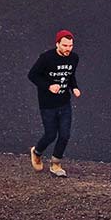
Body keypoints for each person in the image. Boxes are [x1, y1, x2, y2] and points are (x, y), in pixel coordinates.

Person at [28, 29, 82, 177]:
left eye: (70, 46)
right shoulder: (46, 58)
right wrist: (48, 86)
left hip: (64, 103)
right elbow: (32, 75)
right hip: (47, 104)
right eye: (65, 45)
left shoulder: (74, 58)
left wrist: (74, 87)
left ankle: (56, 164)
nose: (68, 49)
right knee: (50, 134)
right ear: (57, 44)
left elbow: (69, 75)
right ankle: (37, 151)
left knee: (65, 135)